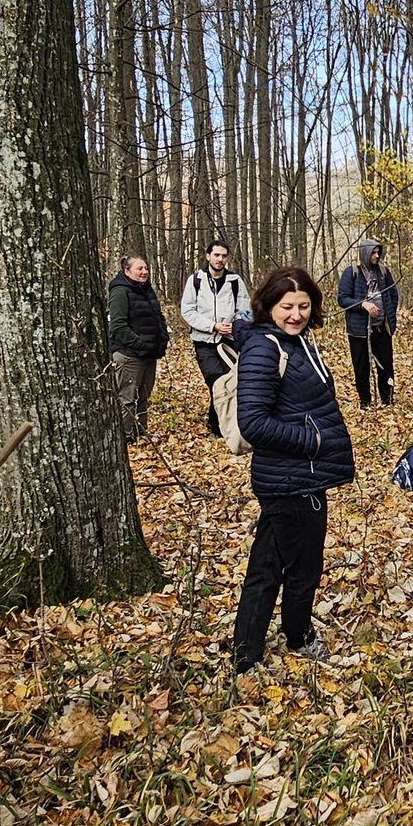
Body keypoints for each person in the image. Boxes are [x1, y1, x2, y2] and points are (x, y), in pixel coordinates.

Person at [233, 266, 356, 673]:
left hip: (301, 476)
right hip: (290, 479)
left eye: (304, 306)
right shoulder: (265, 348)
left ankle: (246, 652)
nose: (296, 314)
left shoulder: (300, 341)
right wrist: (313, 441)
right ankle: (298, 637)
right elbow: (253, 421)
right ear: (268, 306)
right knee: (301, 566)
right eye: (287, 306)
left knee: (268, 564)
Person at [179, 241, 250, 436]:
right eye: (216, 255)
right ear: (207, 256)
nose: (220, 259)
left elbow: (245, 310)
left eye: (223, 256)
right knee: (216, 380)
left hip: (229, 340)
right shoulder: (196, 281)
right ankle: (217, 425)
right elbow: (187, 310)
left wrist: (234, 326)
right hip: (204, 341)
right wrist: (212, 326)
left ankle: (224, 424)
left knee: (231, 381)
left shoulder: (235, 281)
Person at [107, 255, 170, 443]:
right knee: (127, 398)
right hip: (129, 356)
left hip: (149, 355)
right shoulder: (120, 292)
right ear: (127, 271)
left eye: (146, 268)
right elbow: (117, 326)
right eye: (139, 269)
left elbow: (157, 317)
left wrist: (162, 338)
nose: (144, 272)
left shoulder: (146, 290)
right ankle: (126, 437)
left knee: (143, 397)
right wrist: (140, 345)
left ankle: (140, 432)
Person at [336, 239, 401, 409]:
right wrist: (362, 304)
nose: (376, 255)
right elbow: (342, 299)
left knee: (386, 366)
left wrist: (389, 314)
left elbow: (393, 295)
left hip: (381, 329)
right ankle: (365, 402)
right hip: (359, 332)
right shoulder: (352, 273)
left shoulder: (383, 272)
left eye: (378, 252)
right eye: (373, 252)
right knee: (361, 367)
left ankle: (388, 400)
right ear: (365, 253)